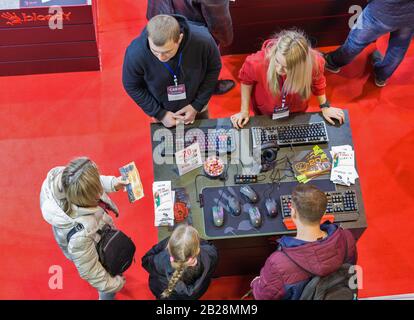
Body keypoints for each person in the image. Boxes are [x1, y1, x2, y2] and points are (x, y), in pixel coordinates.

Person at [40, 157, 129, 300]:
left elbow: (92, 182)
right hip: (93, 246)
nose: (100, 189)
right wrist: (114, 284)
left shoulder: (68, 180)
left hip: (94, 232)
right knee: (105, 281)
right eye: (97, 190)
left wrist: (113, 183)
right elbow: (91, 271)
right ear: (89, 197)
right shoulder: (80, 237)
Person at [250, 184, 357, 300]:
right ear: (323, 212)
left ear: (293, 212)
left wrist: (256, 283)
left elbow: (262, 297)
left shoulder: (279, 263)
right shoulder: (347, 238)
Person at [230, 29, 345, 129]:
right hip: (266, 111)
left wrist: (325, 107)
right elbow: (246, 81)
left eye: (287, 67)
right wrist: (244, 111)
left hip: (298, 109)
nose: (279, 69)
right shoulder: (256, 62)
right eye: (277, 61)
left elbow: (318, 82)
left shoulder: (315, 62)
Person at [123, 14, 221, 128]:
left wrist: (197, 105)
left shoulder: (203, 41)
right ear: (149, 38)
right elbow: (131, 85)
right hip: (163, 110)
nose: (161, 58)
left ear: (179, 38)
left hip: (197, 105)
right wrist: (160, 114)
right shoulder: (136, 52)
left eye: (167, 52)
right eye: (155, 52)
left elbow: (214, 68)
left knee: (203, 141)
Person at [146, 0, 235, 95]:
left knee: (170, 57)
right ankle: (205, 87)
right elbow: (218, 21)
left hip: (159, 14)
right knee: (199, 62)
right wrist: (226, 38)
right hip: (191, 31)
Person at [324, 0, 414, 87]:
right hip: (410, 16)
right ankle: (382, 76)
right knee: (398, 48)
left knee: (356, 41)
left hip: (383, 10)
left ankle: (333, 62)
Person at [142, 224, 218, 300]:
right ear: (197, 249)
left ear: (169, 247)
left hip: (162, 291)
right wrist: (191, 242)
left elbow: (145, 261)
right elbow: (209, 246)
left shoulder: (159, 260)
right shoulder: (209, 254)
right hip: (194, 295)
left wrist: (172, 242)